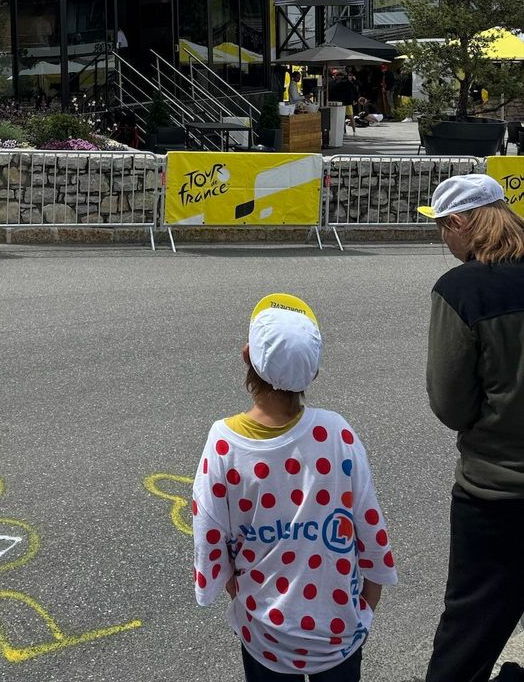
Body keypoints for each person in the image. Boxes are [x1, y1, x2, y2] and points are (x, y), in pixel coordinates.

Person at [192, 293, 397, 680]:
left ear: (247, 356)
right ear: (313, 373)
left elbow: (210, 534)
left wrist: (234, 593)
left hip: (264, 634)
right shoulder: (337, 433)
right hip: (338, 632)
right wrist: (368, 603)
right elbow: (369, 521)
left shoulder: (223, 443)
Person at [418, 176, 524, 682]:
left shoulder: (462, 289)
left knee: (468, 635)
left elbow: (451, 404)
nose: (444, 240)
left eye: (442, 228)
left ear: (460, 223)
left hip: (496, 492)